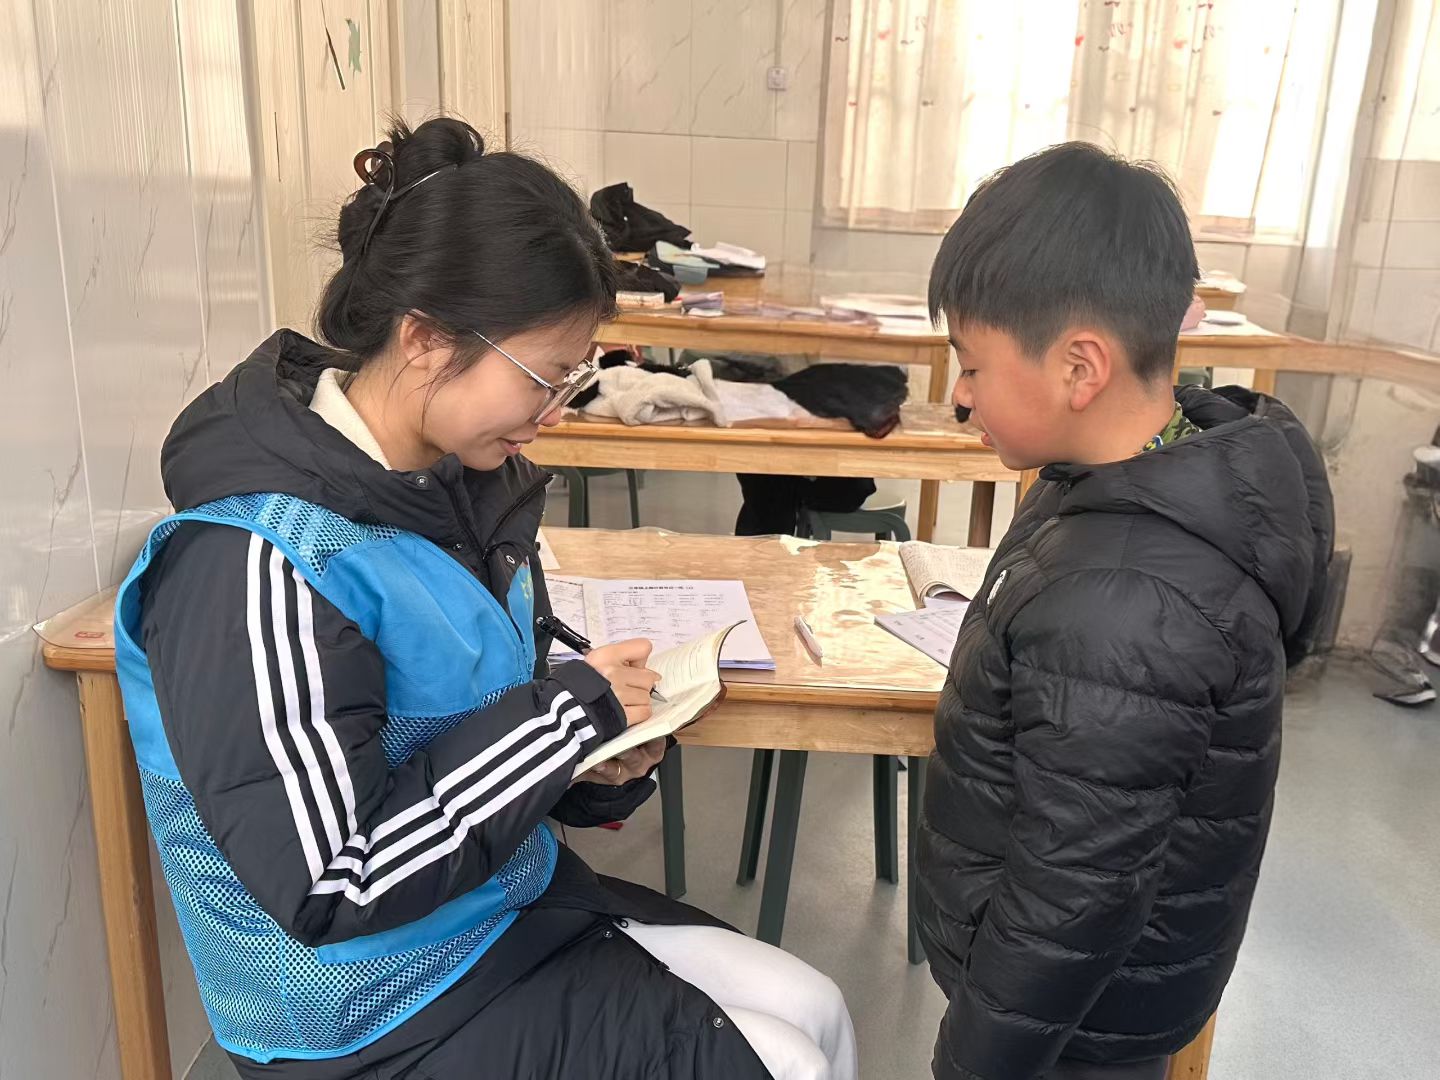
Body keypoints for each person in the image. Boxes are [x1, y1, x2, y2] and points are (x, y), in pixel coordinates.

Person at [114, 116, 856, 1080]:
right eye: (546, 376)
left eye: (574, 379)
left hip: (493, 912)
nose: (553, 414)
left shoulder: (454, 489)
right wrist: (562, 724)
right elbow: (334, 878)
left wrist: (587, 764)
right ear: (426, 340)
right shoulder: (255, 558)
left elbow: (463, 722)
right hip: (362, 1006)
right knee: (785, 1062)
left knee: (816, 1009)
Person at [915, 142, 1334, 1080]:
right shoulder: (1131, 481)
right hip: (1080, 1003)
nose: (961, 397)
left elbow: (1070, 900)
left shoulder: (1129, 607)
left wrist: (972, 1065)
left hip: (1073, 1027)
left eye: (972, 366)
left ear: (1080, 367)